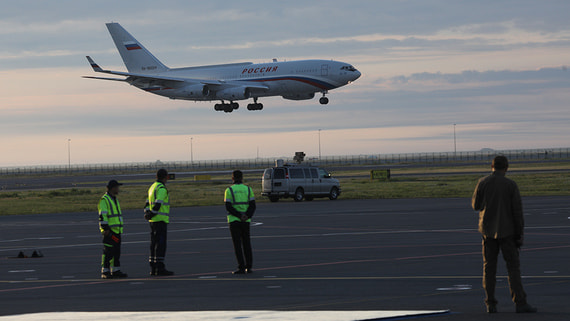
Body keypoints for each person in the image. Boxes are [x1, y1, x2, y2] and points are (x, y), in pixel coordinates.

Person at [472, 156, 537, 314]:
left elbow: (475, 206)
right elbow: (517, 212)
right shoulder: (510, 185)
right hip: (508, 232)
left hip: (487, 231)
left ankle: (490, 303)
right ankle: (520, 302)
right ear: (506, 167)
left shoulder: (483, 182)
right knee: (513, 268)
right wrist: (520, 233)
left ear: (492, 166)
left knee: (489, 268)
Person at [224, 170, 256, 274]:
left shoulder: (229, 190)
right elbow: (253, 205)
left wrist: (239, 215)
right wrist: (246, 216)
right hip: (246, 221)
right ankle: (249, 266)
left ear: (232, 178)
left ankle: (241, 267)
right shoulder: (248, 189)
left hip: (234, 220)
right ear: (242, 178)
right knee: (247, 243)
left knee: (237, 245)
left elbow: (228, 207)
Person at [145, 168, 174, 276]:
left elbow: (147, 203)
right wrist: (152, 213)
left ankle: (153, 267)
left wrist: (148, 214)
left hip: (153, 221)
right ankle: (160, 267)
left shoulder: (152, 187)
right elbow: (158, 204)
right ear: (165, 177)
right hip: (160, 220)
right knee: (161, 244)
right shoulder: (161, 188)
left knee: (153, 244)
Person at [98, 179, 128, 279]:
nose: (118, 189)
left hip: (116, 231)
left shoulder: (114, 199)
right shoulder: (105, 200)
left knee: (116, 251)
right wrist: (105, 229)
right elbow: (103, 215)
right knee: (108, 251)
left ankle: (115, 270)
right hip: (110, 232)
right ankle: (105, 271)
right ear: (113, 188)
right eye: (117, 187)